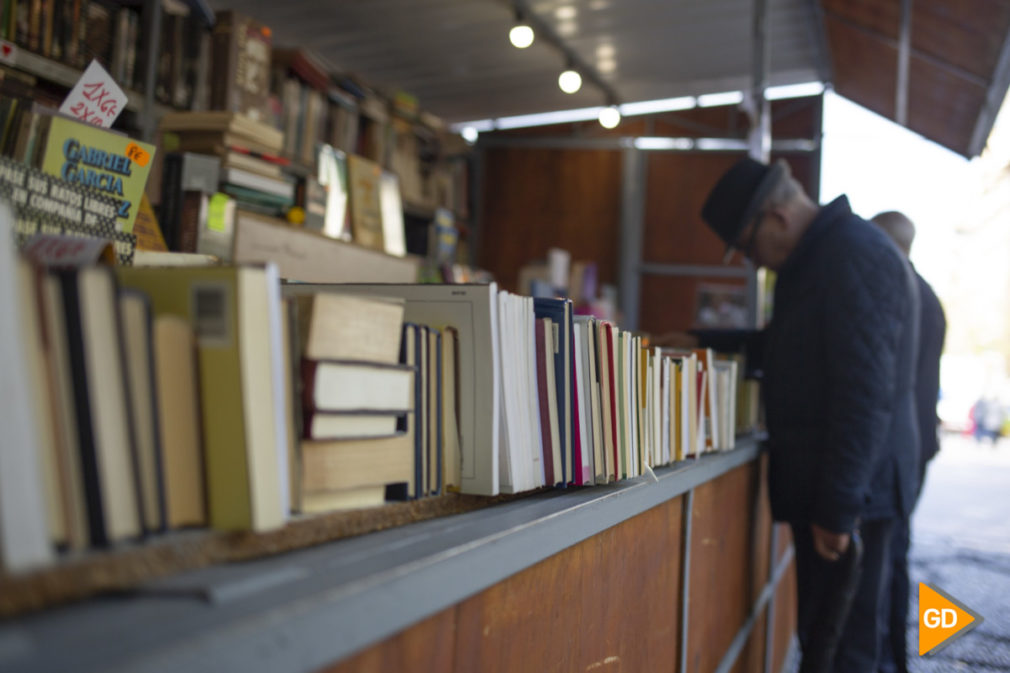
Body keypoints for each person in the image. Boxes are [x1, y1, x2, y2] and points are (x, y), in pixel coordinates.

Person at [701, 158, 921, 673]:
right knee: (828, 643)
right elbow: (792, 350)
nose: (756, 262)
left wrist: (839, 508)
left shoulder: (850, 255)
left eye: (750, 247)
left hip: (852, 498)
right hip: (841, 492)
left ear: (775, 216)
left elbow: (862, 391)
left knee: (845, 650)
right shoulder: (823, 256)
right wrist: (700, 341)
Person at [870, 210, 947, 673]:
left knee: (886, 568)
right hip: (915, 449)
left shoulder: (901, 290)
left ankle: (888, 660)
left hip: (901, 452)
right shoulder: (927, 294)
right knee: (893, 564)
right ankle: (893, 660)